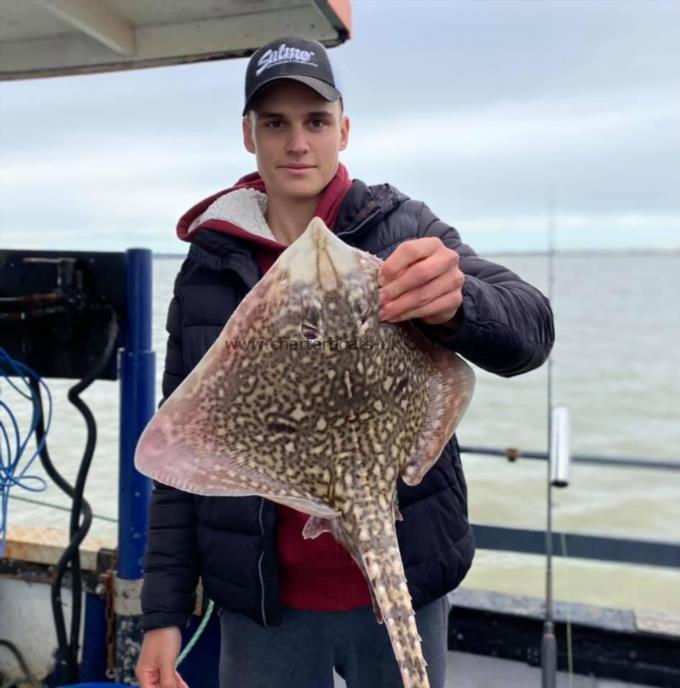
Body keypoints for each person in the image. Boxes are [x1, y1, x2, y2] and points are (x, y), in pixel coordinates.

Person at [136, 36, 554, 688]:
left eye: (315, 121)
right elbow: (184, 451)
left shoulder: (402, 228)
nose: (297, 142)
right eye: (275, 123)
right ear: (249, 135)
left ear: (344, 130)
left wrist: (458, 303)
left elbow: (532, 330)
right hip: (264, 608)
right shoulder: (209, 268)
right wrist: (161, 612)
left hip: (404, 575)